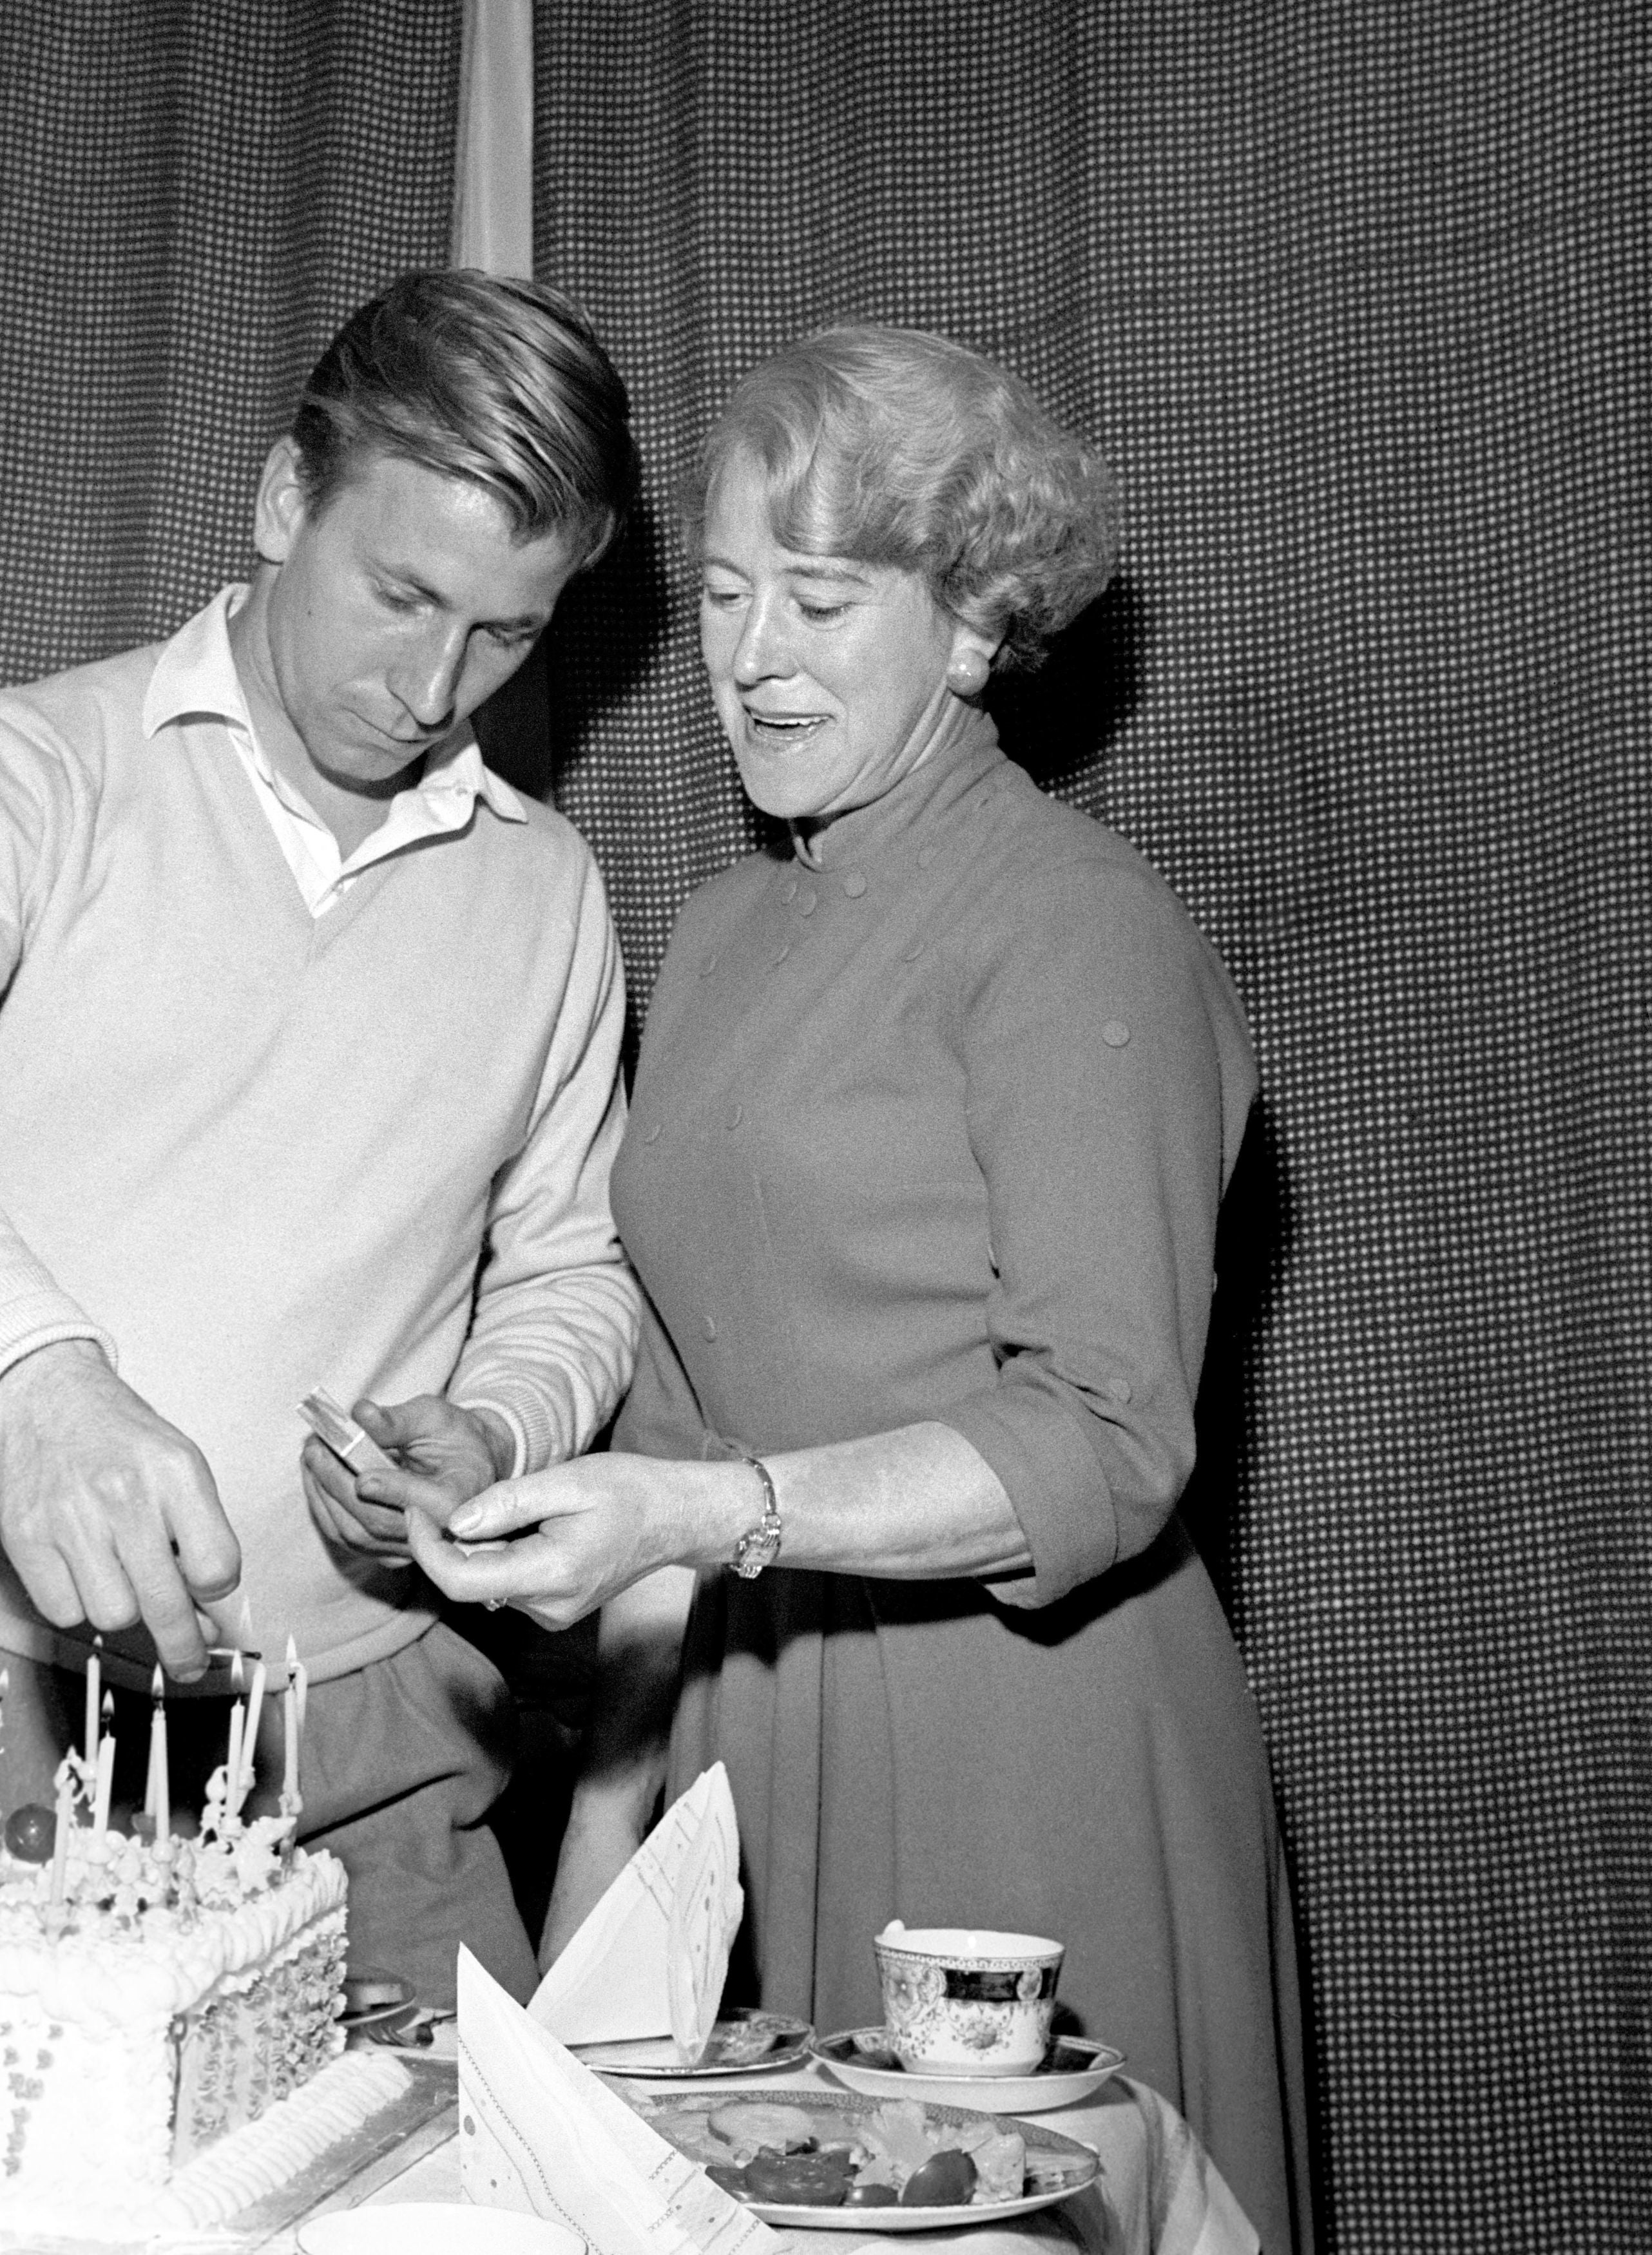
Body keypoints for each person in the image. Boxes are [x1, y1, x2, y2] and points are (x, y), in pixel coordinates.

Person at [385, 328, 1314, 2245]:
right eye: (724, 595)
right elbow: (672, 1434)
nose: (749, 655)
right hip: (749, 1726)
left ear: (972, 627)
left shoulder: (1074, 926)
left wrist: (717, 1513)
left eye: (820, 598)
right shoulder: (721, 932)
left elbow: (1102, 1438)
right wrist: (591, 1894)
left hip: (1024, 1750)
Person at [0, 270, 642, 2006]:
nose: (433, 681)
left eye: (507, 633)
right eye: (400, 594)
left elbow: (571, 1262)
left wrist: (494, 1422)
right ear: (285, 501)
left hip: (360, 1741)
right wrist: (39, 1386)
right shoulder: (8, 773)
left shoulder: (547, 891)